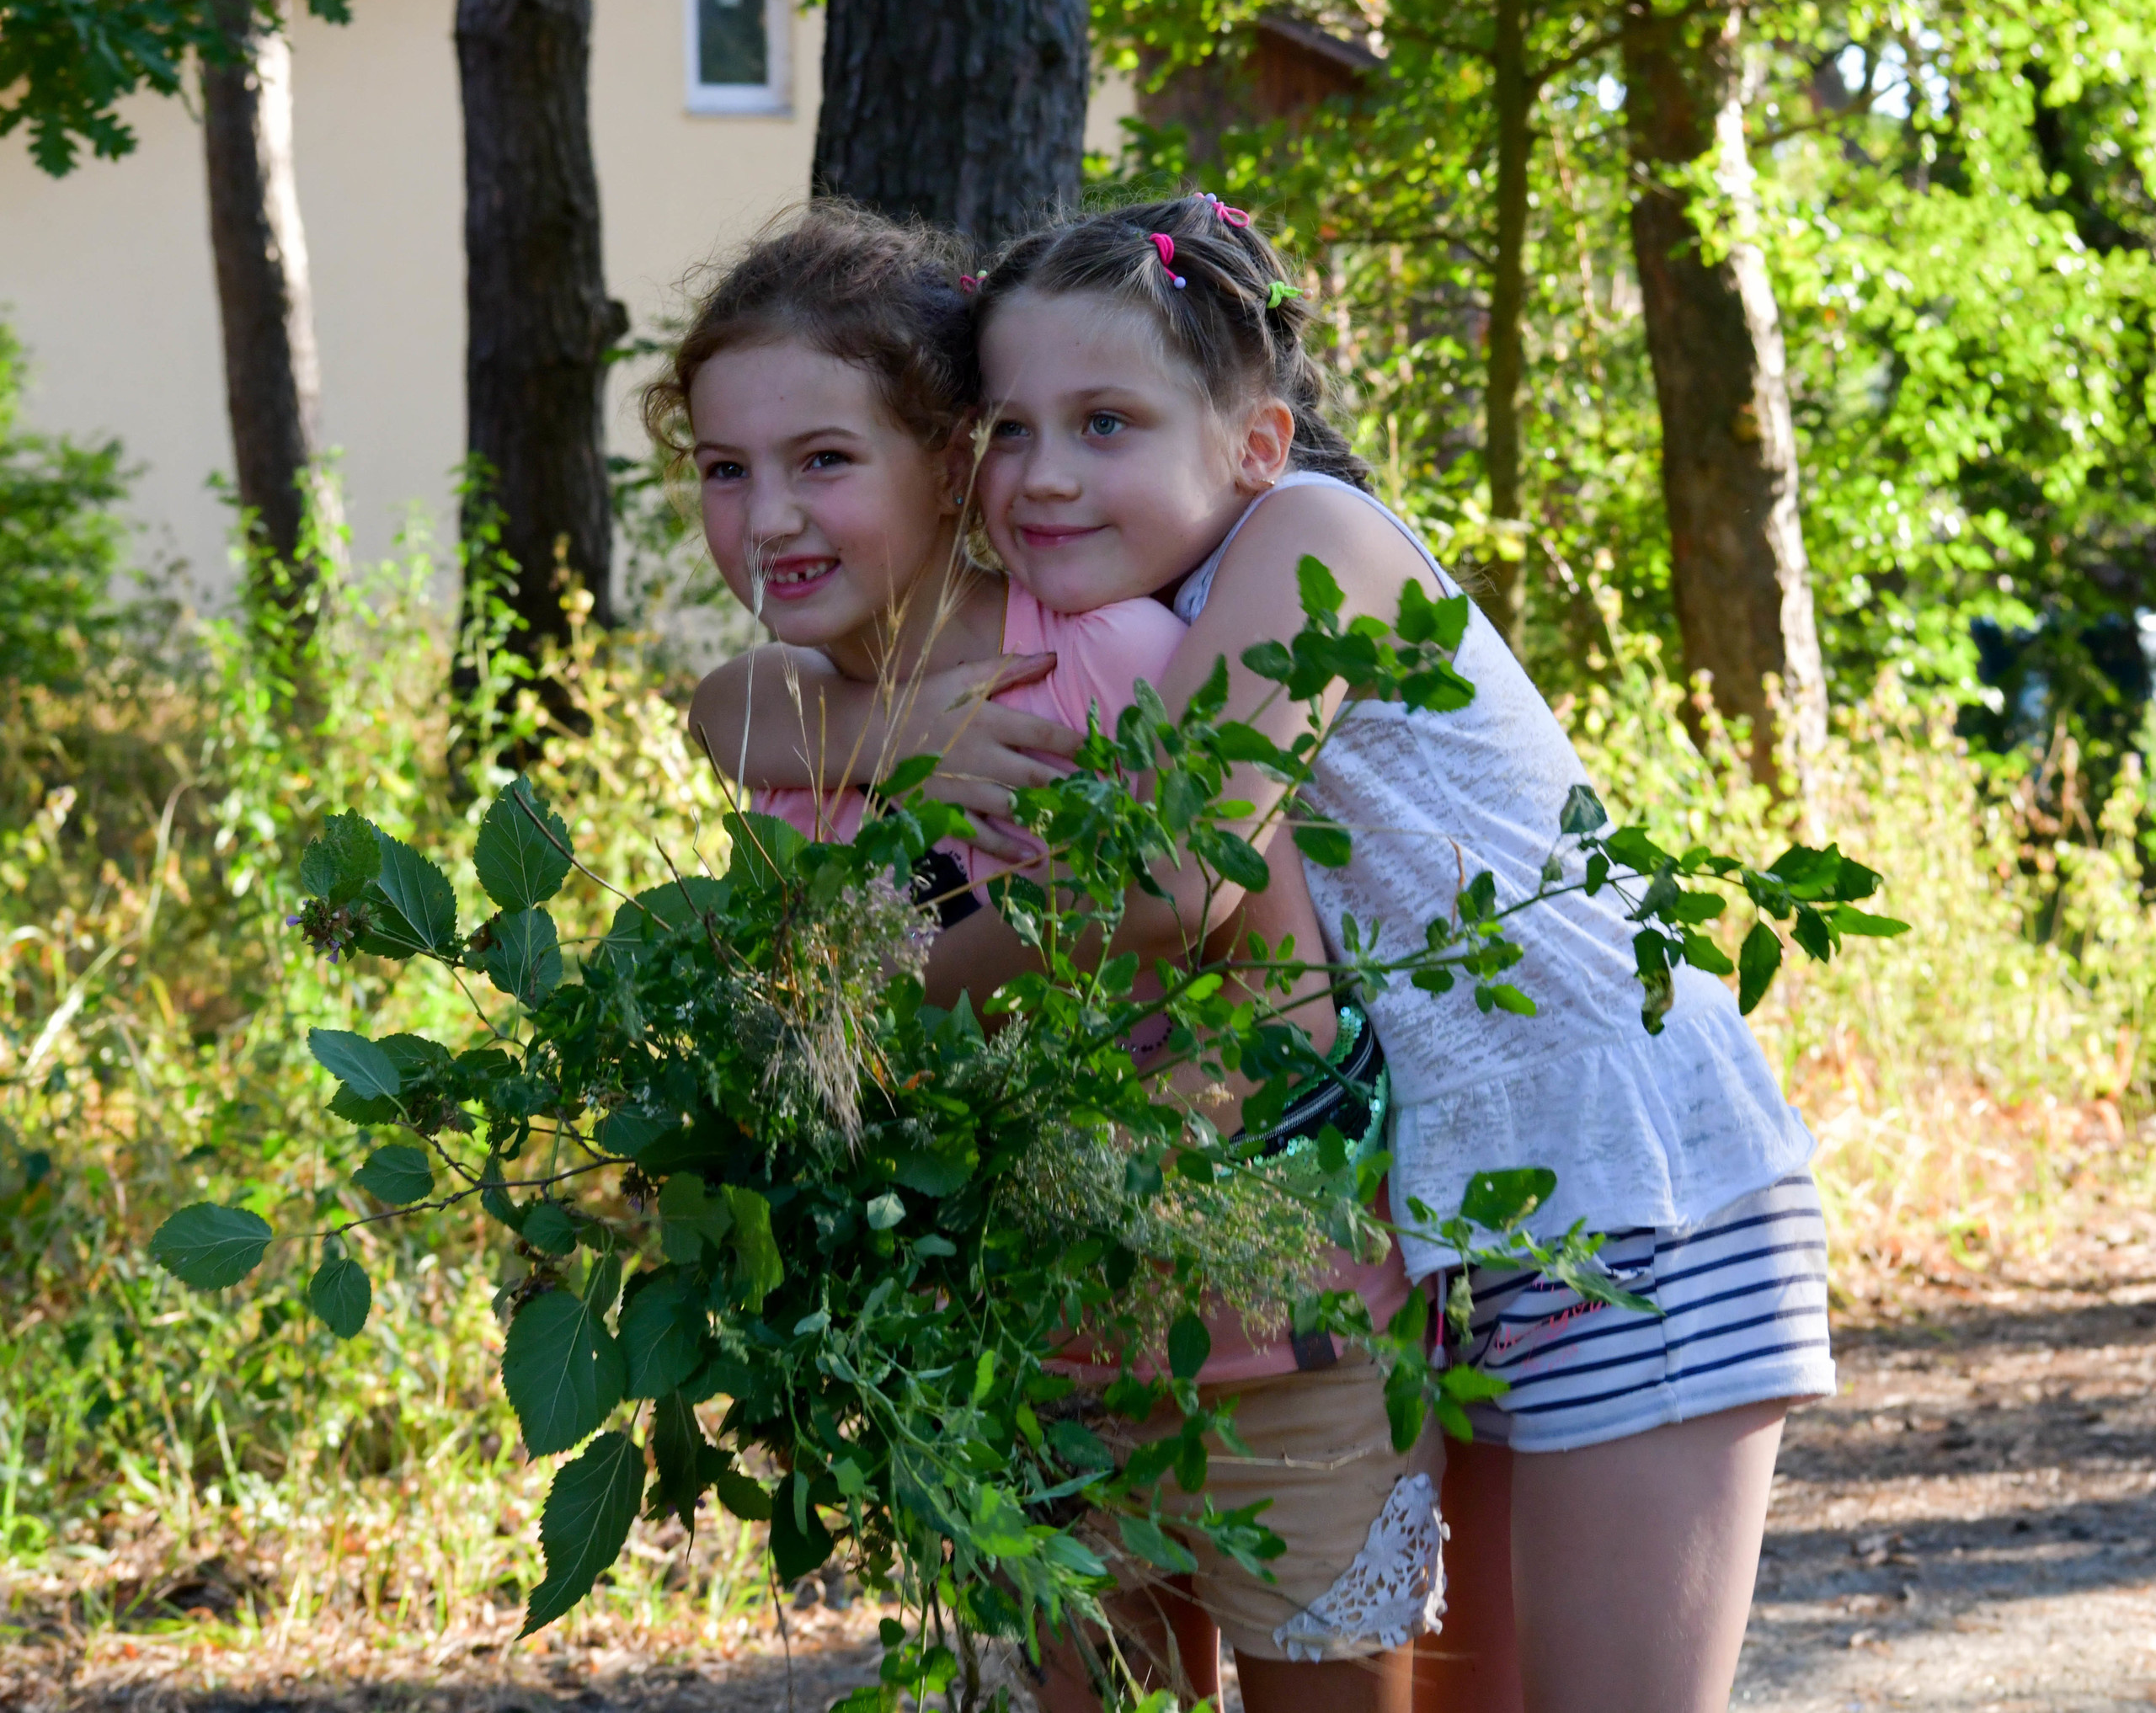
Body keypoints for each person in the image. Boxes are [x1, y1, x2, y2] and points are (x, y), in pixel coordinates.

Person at [718, 193, 1833, 1713]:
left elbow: (1179, 874)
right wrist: (852, 721)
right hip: (1454, 1207)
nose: (1047, 476)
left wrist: (827, 991)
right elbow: (732, 702)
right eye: (1017, 432)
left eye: (1106, 423)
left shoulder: (1314, 537)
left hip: (1626, 1177)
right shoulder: (1130, 604)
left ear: (1255, 440)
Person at [663, 202, 1439, 1713]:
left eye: (823, 460)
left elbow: (1234, 943)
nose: (768, 521)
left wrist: (838, 980)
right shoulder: (792, 745)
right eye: (722, 471)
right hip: (1017, 1359)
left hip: (1277, 1333)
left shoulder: (1106, 657)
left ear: (952, 462)